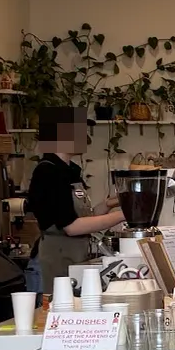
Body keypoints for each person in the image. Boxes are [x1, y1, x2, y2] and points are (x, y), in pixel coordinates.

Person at [24, 107, 125, 290]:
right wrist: (124, 215)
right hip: (53, 263)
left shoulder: (70, 171)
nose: (85, 137)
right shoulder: (48, 172)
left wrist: (110, 204)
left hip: (71, 260)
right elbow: (72, 227)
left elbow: (84, 217)